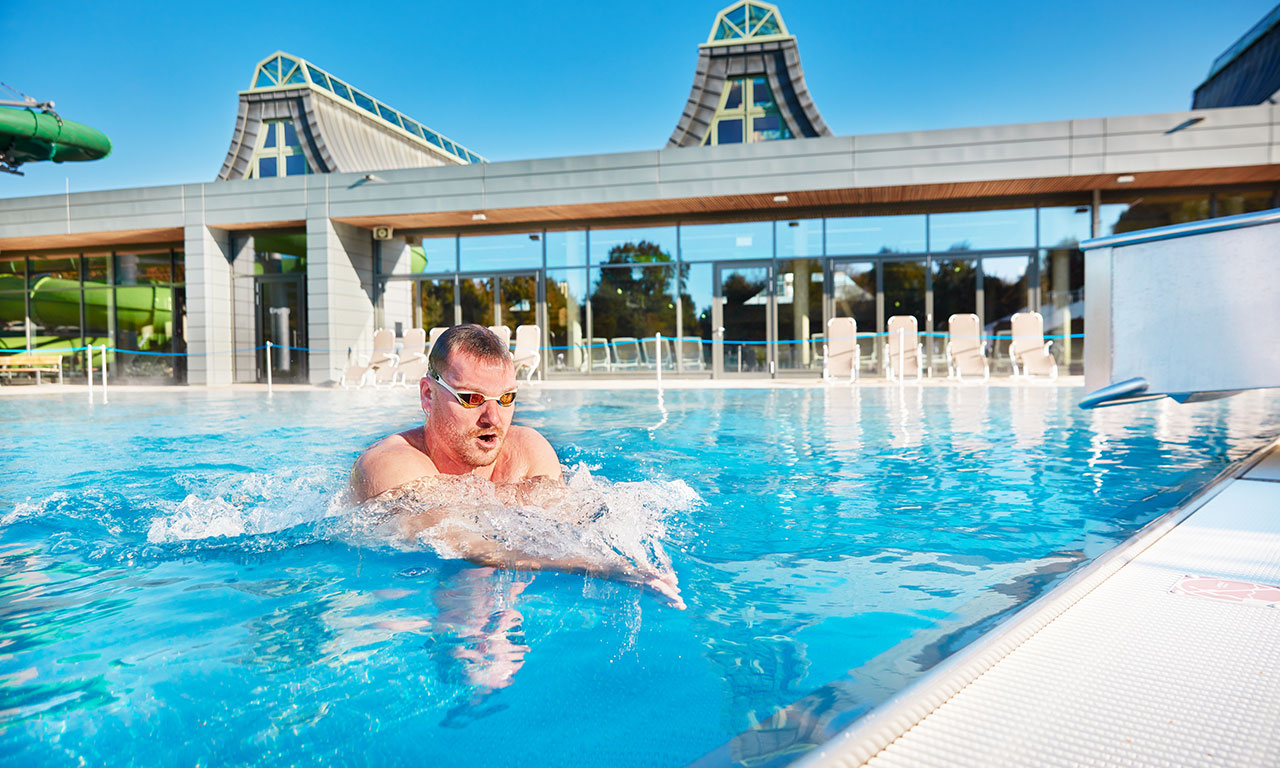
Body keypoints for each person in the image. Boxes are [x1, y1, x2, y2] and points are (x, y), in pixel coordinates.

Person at [350, 324, 683, 608]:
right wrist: (601, 567)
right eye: (471, 398)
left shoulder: (527, 452)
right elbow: (460, 543)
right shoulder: (391, 466)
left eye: (506, 399)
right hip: (407, 591)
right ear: (428, 395)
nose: (493, 419)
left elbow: (574, 519)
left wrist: (635, 557)